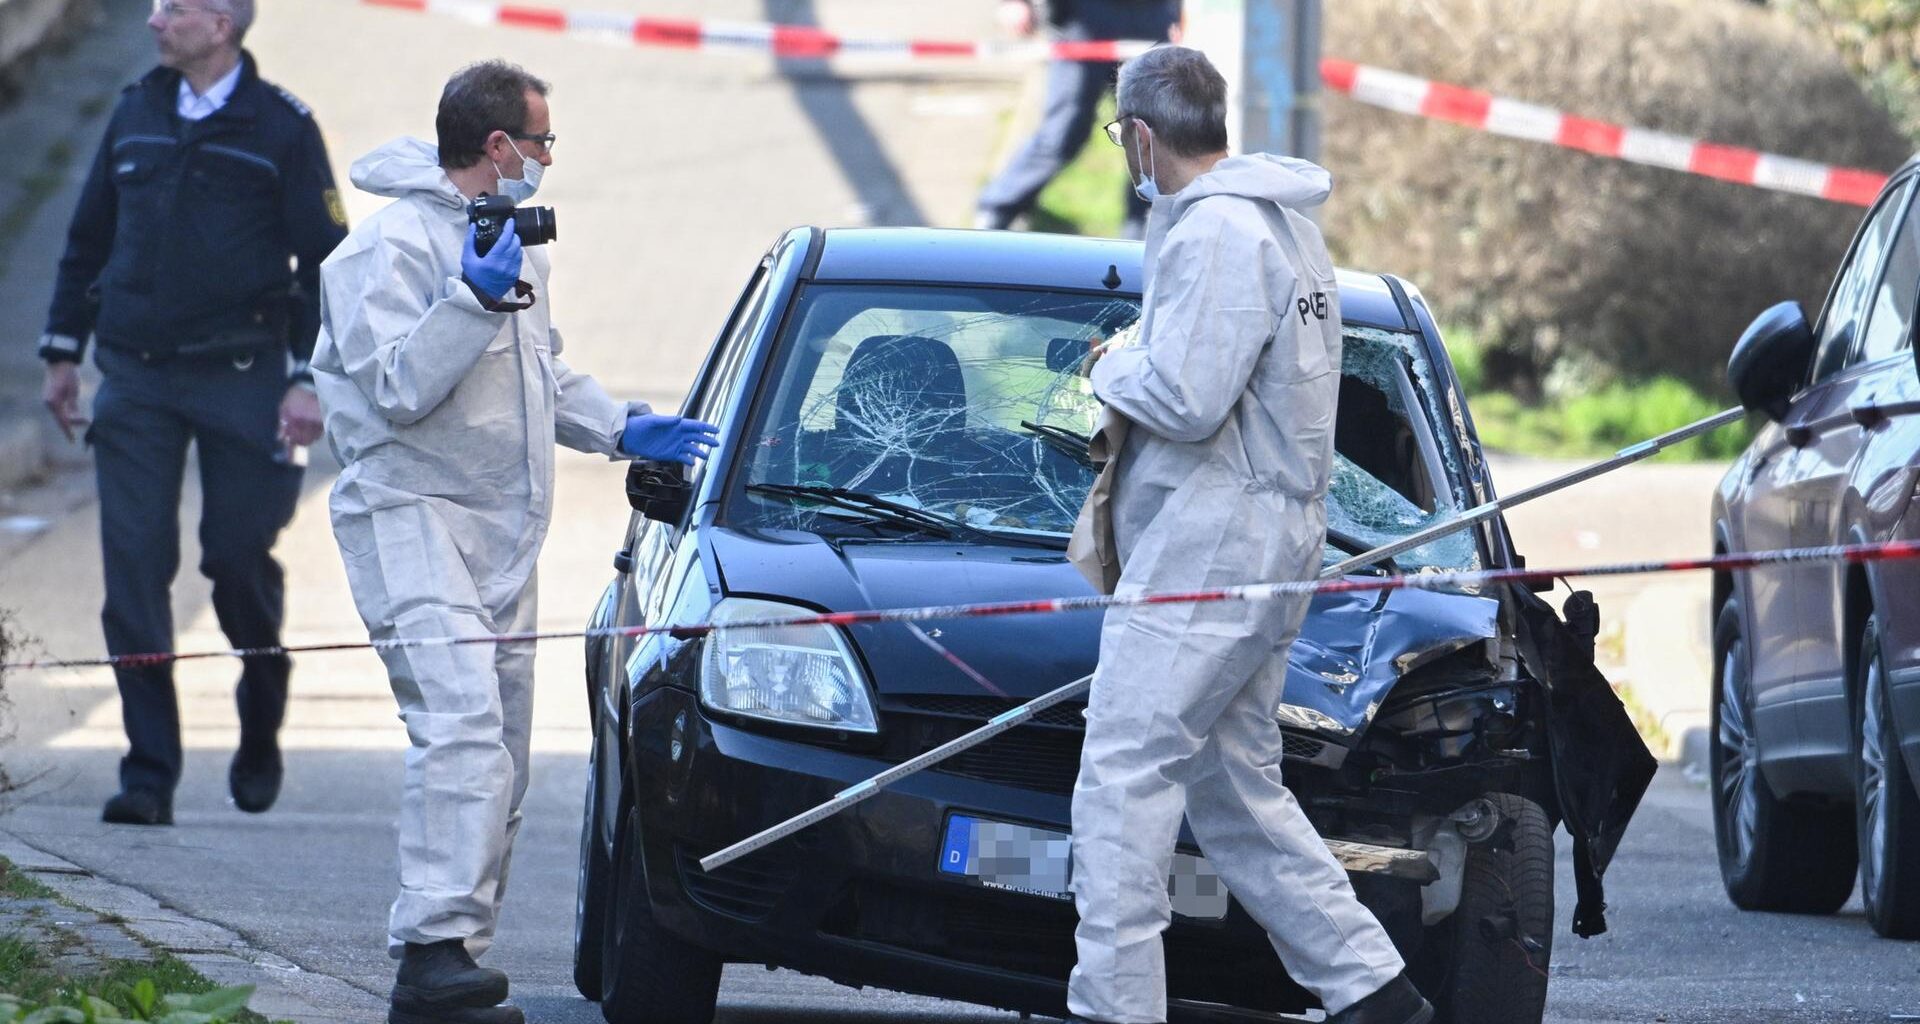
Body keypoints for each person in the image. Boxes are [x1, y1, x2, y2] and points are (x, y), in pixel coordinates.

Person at [310, 60, 718, 1024]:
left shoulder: (511, 247)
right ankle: (431, 952)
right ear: (498, 146)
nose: (545, 161)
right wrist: (467, 300)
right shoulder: (385, 252)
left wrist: (624, 428)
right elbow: (401, 389)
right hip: (408, 513)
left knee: (502, 753)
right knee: (457, 730)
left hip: (498, 528)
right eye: (540, 143)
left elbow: (543, 374)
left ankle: (459, 956)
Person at [1066, 47, 1433, 1024]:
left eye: (1120, 142)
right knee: (1233, 790)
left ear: (1141, 137)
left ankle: (1116, 1008)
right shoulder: (1286, 228)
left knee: (1121, 780)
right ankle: (1372, 988)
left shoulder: (1219, 234)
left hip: (1207, 553)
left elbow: (1186, 397)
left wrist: (1109, 368)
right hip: (1267, 547)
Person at [37, 0, 347, 826]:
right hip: (135, 376)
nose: (152, 21)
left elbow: (327, 266)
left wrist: (309, 379)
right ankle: (149, 772)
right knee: (134, 569)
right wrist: (63, 350)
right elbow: (86, 236)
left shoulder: (281, 127)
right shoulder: (136, 110)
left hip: (244, 374)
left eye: (171, 7)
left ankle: (264, 681)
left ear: (221, 23)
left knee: (236, 555)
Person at [974, 0, 1181, 238]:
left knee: (1152, 141)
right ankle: (994, 214)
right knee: (1063, 132)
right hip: (1081, 17)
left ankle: (1143, 241)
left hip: (1151, 16)